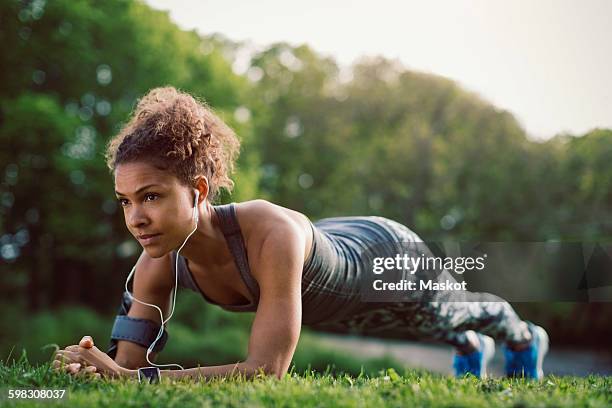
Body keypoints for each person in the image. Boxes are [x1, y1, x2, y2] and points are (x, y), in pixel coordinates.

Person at [52, 87, 548, 381]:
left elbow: (266, 369)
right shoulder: (155, 261)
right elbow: (127, 367)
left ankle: (524, 339)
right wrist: (93, 362)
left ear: (199, 190)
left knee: (449, 312)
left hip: (382, 253)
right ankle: (469, 349)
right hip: (327, 249)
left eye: (152, 196)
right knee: (424, 328)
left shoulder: (270, 234)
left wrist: (138, 381)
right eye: (126, 201)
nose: (135, 217)